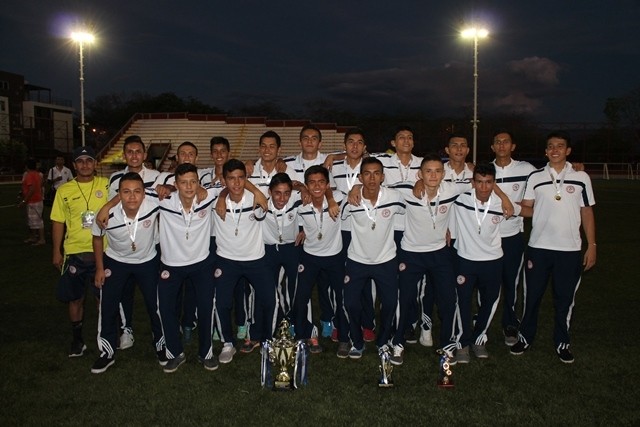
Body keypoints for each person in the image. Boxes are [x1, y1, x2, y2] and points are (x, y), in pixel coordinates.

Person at [511, 131, 596, 363]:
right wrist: (513, 208)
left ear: (568, 151)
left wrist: (592, 245)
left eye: (560, 146)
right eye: (550, 146)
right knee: (531, 297)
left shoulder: (581, 177)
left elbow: (587, 211)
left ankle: (562, 342)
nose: (555, 150)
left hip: (569, 250)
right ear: (545, 151)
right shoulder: (536, 177)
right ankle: (525, 338)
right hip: (538, 248)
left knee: (565, 299)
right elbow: (528, 208)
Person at [390, 154, 468, 365]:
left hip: (439, 253)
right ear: (419, 173)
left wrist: (504, 198)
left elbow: (482, 183)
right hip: (411, 253)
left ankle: (447, 345)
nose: (433, 175)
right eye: (428, 171)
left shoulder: (451, 189)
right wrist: (353, 190)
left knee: (448, 299)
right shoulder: (406, 190)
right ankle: (397, 343)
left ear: (444, 174)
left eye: (437, 171)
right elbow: (377, 185)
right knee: (405, 299)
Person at [90, 173, 164, 373]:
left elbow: (175, 191)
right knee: (108, 305)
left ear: (144, 193)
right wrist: (99, 268)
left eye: (137, 192)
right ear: (118, 194)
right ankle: (107, 352)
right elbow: (97, 239)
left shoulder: (152, 201)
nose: (132, 197)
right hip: (116, 261)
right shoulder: (106, 214)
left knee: (155, 304)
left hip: (147, 260)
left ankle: (161, 345)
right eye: (126, 192)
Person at [155, 163, 222, 373]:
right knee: (165, 309)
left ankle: (206, 353)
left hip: (202, 263)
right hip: (171, 265)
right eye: (183, 182)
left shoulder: (206, 196)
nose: (189, 186)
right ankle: (175, 353)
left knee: (205, 308)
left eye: (193, 181)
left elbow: (231, 185)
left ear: (199, 183)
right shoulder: (163, 200)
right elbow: (133, 191)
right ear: (175, 184)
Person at [452, 163, 520, 363]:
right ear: (472, 183)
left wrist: (506, 198)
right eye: (479, 182)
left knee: (489, 303)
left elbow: (529, 210)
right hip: (465, 259)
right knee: (462, 302)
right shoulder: (461, 198)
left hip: (492, 261)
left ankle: (479, 338)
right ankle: (462, 343)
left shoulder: (502, 204)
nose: (483, 187)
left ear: (494, 183)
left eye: (488, 182)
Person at [212, 159, 277, 363]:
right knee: (221, 303)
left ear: (246, 179)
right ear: (224, 180)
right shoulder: (215, 196)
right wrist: (223, 195)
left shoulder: (257, 196)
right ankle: (228, 343)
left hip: (255, 259)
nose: (237, 183)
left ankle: (267, 340)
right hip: (226, 259)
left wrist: (255, 190)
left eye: (241, 178)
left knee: (270, 300)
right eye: (231, 178)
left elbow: (273, 189)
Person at [342, 158, 405, 359]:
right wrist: (354, 190)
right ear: (360, 177)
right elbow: (339, 217)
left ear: (383, 176)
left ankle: (383, 341)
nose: (372, 178)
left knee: (389, 303)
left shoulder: (394, 197)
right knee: (351, 303)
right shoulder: (351, 200)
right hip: (357, 260)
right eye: (367, 174)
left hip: (386, 260)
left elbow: (411, 210)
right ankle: (357, 342)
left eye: (376, 173)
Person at [50, 146, 110, 357]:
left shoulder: (106, 185)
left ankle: (105, 338)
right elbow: (58, 221)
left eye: (89, 160)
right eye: (80, 161)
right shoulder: (64, 190)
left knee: (101, 298)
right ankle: (77, 341)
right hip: (75, 252)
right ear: (74, 165)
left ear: (95, 164)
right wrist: (56, 251)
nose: (85, 165)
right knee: (76, 299)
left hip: (103, 252)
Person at [107, 135, 161, 350]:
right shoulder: (114, 178)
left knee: (153, 294)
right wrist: (106, 206)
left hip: (151, 242)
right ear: (124, 154)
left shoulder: (156, 176)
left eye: (138, 151)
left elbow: (170, 193)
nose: (134, 155)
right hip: (123, 246)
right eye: (130, 151)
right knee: (124, 292)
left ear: (145, 154)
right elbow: (114, 207)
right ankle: (127, 329)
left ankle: (159, 332)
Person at [283, 125, 336, 338]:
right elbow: (285, 187)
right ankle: (297, 321)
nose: (310, 141)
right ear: (299, 141)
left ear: (320, 143)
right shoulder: (288, 163)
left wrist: (335, 154)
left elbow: (358, 154)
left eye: (314, 138)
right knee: (299, 285)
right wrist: (302, 188)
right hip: (302, 230)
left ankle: (327, 319)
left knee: (327, 285)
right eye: (305, 138)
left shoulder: (330, 160)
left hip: (329, 226)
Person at [295, 165, 350, 356]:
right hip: (310, 256)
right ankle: (303, 335)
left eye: (321, 182)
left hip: (335, 256)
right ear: (307, 185)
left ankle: (344, 338)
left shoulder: (339, 199)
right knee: (301, 298)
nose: (316, 186)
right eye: (311, 182)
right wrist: (301, 189)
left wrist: (330, 197)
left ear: (328, 184)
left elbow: (358, 189)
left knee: (341, 298)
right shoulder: (300, 203)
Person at [490, 130, 536, 346]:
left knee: (511, 282)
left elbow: (550, 177)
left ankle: (509, 322)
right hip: (487, 237)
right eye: (497, 142)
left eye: (505, 142)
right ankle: (483, 320)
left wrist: (574, 168)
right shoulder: (484, 170)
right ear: (492, 147)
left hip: (512, 236)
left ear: (513, 146)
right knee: (487, 283)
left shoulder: (526, 169)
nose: (501, 145)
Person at [20, 159, 45, 245]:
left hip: (34, 201)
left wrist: (24, 201)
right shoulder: (38, 174)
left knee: (37, 221)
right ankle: (33, 237)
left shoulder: (29, 175)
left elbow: (31, 189)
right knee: (33, 221)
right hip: (37, 200)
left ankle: (41, 239)